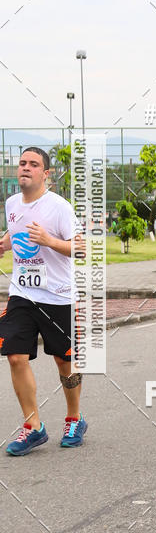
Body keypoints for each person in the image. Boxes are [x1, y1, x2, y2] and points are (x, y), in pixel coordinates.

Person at [0, 147, 87, 455]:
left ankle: (74, 418)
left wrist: (49, 241)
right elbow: (16, 233)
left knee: (64, 362)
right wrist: (4, 245)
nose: (25, 167)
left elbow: (81, 250)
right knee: (15, 356)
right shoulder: (11, 203)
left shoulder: (58, 207)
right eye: (22, 163)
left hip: (58, 297)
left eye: (33, 164)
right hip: (22, 293)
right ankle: (33, 426)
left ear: (45, 174)